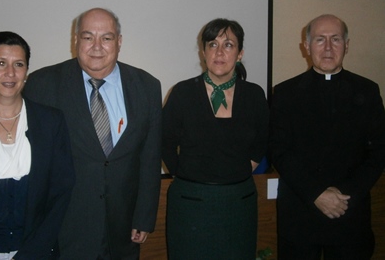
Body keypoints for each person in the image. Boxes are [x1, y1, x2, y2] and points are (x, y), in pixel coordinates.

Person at [0, 8, 163, 259]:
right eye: (88, 37)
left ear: (119, 42)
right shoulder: (44, 82)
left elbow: (150, 157)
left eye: (106, 38)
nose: (97, 46)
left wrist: (144, 216)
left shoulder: (147, 86)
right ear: (75, 41)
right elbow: (6, 94)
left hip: (124, 227)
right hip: (66, 228)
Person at [270, 14, 385, 260]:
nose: (329, 47)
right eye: (320, 40)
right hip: (300, 215)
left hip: (349, 215)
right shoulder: (284, 93)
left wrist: (344, 196)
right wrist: (317, 193)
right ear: (307, 46)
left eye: (336, 39)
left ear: (347, 45)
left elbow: (379, 152)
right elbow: (279, 150)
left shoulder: (368, 90)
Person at [0, 31, 75, 259]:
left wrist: (32, 253)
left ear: (26, 72)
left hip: (36, 253)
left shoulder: (51, 122)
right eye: (0, 63)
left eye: (18, 64)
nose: (10, 73)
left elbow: (60, 194)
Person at [162, 18, 269, 259]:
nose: (219, 52)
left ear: (240, 53)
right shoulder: (183, 92)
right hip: (190, 203)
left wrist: (243, 168)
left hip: (239, 203)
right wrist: (185, 173)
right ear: (203, 52)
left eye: (228, 45)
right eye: (212, 44)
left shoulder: (253, 94)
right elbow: (165, 140)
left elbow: (263, 138)